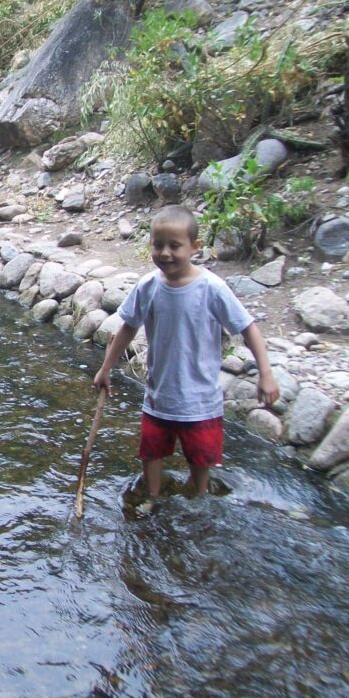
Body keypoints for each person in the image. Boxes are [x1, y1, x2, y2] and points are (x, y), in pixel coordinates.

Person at [92, 205, 280, 502]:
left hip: (201, 400)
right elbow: (127, 328)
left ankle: (198, 499)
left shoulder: (212, 288)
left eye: (174, 246)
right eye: (158, 245)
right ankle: (152, 498)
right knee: (151, 452)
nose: (165, 253)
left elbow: (248, 328)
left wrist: (266, 374)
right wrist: (106, 368)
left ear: (195, 247)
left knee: (201, 458)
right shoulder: (148, 286)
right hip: (159, 396)